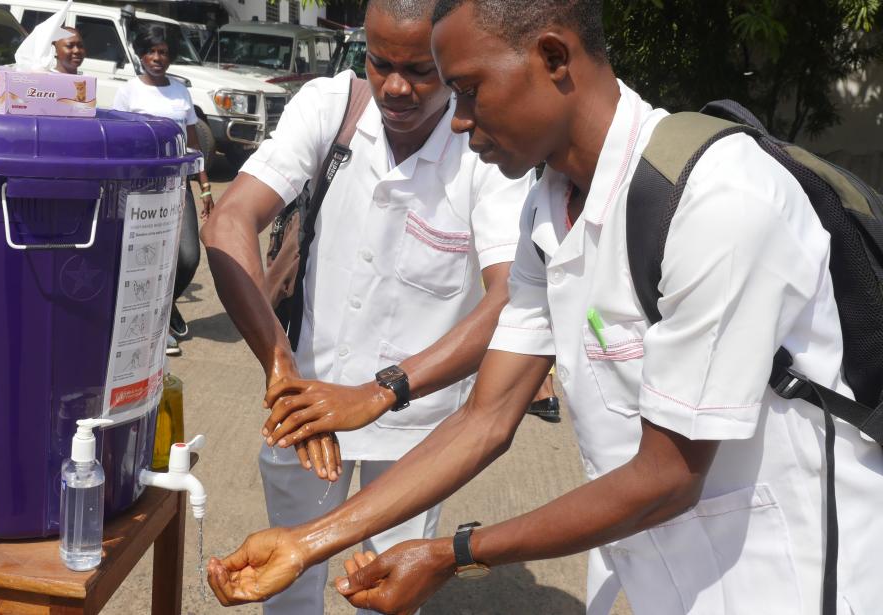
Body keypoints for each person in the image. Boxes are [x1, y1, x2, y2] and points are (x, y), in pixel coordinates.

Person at [207, 1, 883, 614]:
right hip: (665, 576)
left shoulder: (716, 201)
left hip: (792, 578)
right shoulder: (547, 207)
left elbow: (668, 474)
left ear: (554, 58)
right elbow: (487, 416)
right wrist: (305, 542)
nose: (461, 121)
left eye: (469, 91)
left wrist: (455, 552)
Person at [199, 0, 530, 612]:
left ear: (453, 62)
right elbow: (229, 221)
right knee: (287, 585)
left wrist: (379, 393)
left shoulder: (483, 145)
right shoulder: (334, 107)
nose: (396, 87)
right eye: (380, 64)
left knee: (382, 591)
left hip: (413, 433)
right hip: (306, 417)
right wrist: (279, 363)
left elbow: (512, 297)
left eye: (421, 71)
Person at [112, 26, 214, 356]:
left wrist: (205, 186)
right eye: (151, 51)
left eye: (164, 52)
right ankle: (155, 325)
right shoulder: (128, 92)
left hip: (177, 184)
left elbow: (193, 142)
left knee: (187, 257)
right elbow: (120, 141)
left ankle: (167, 308)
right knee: (145, 261)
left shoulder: (180, 92)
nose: (158, 58)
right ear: (141, 54)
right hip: (141, 189)